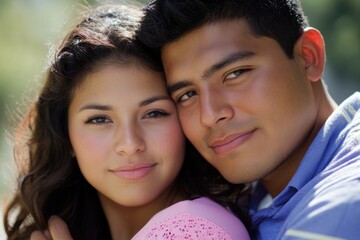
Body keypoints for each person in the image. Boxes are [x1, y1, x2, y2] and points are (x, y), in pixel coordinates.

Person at [3, 4, 251, 240]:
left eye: (154, 113)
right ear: (65, 136)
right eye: (99, 119)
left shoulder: (195, 229)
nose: (130, 144)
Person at [137, 0, 360, 239]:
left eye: (235, 74)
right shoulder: (249, 196)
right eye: (187, 94)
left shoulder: (336, 212)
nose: (209, 115)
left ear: (308, 57)